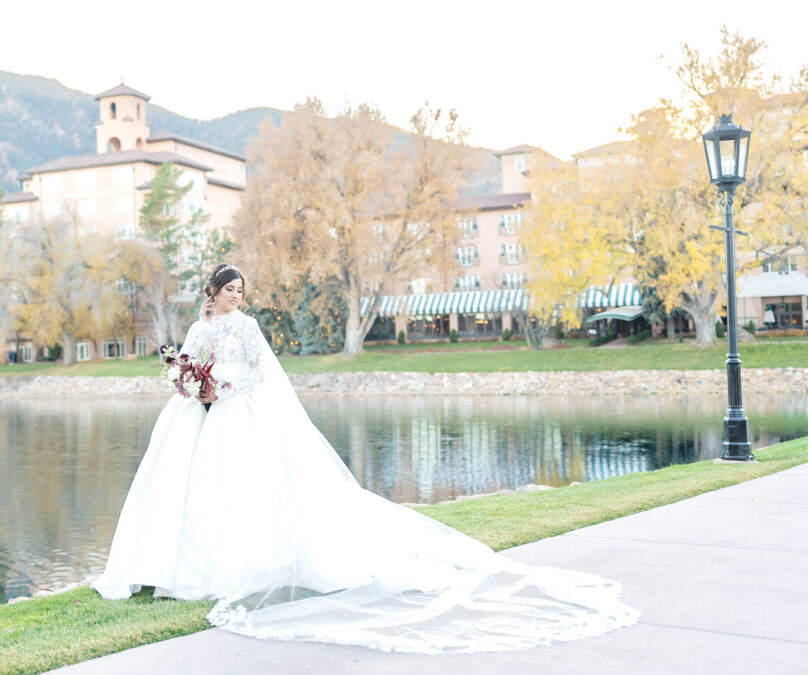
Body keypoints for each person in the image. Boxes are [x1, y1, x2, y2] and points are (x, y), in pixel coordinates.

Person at [92, 263, 638, 654]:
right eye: (229, 290)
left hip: (236, 411)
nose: (237, 296)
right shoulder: (199, 327)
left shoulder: (248, 326)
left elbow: (258, 373)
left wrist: (223, 389)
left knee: (240, 488)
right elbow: (184, 365)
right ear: (212, 291)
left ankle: (231, 565)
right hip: (195, 416)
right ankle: (165, 568)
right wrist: (190, 384)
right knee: (185, 488)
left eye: (241, 290)